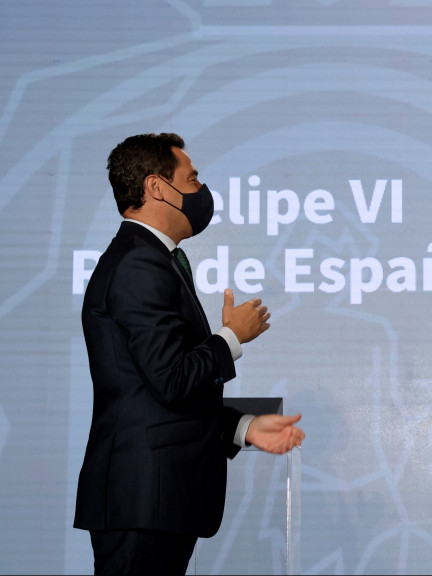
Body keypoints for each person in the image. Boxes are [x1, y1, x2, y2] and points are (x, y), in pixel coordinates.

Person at [75, 133, 306, 575]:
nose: (202, 189)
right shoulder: (139, 264)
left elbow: (153, 393)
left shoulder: (150, 260)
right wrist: (230, 338)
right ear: (157, 187)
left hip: (155, 502)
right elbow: (171, 378)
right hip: (144, 501)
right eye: (192, 177)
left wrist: (244, 427)